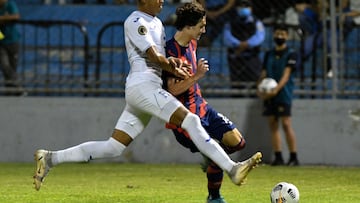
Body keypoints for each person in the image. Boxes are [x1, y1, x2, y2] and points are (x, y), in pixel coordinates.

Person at [33, 0, 262, 191]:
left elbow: (162, 57)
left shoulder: (157, 23)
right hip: (144, 87)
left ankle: (50, 158)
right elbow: (153, 57)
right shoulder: (136, 21)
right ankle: (232, 169)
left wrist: (172, 62)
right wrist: (174, 67)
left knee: (114, 147)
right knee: (190, 120)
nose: (162, 0)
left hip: (146, 89)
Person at [163, 2, 249, 202]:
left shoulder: (191, 43)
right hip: (184, 116)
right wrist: (196, 76)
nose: (204, 29)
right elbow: (173, 89)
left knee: (238, 142)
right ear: (189, 26)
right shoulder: (171, 51)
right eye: (201, 25)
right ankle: (214, 196)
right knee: (218, 150)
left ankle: (212, 159)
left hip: (202, 107)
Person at [257, 24, 299, 166]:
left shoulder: (291, 54)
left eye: (282, 34)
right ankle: (278, 157)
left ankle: (293, 157)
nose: (280, 37)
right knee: (273, 124)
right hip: (269, 93)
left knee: (286, 124)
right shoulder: (269, 54)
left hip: (283, 94)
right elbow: (264, 73)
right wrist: (260, 87)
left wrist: (275, 90)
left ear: (287, 36)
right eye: (277, 33)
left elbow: (286, 75)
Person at [223, 0, 265, 93]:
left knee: (254, 81)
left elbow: (260, 36)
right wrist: (238, 44)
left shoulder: (256, 22)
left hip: (252, 56)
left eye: (246, 6)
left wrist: (247, 44)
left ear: (251, 8)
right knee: (236, 83)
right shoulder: (230, 22)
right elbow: (227, 37)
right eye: (241, 6)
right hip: (235, 57)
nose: (243, 8)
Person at [0, 0, 21, 95]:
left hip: (13, 40)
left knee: (13, 67)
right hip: (1, 41)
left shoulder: (10, 4)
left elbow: (16, 16)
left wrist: (2, 18)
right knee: (4, 65)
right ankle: (17, 85)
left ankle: (12, 91)